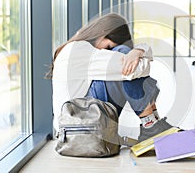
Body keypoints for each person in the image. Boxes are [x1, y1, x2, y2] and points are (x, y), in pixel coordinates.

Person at [48, 13, 172, 142]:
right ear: (102, 34)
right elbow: (137, 69)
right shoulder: (79, 50)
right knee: (124, 55)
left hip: (77, 123)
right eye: (108, 47)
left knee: (128, 63)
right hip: (77, 125)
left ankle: (152, 124)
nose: (108, 52)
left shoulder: (77, 47)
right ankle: (151, 125)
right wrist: (138, 51)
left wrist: (138, 52)